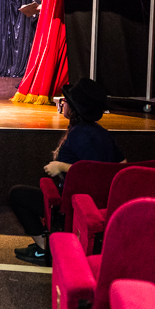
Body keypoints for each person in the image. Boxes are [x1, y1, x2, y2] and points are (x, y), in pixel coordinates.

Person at [9, 78, 125, 265]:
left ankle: (44, 249)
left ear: (75, 108)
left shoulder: (80, 135)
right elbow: (122, 165)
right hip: (101, 201)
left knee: (18, 195)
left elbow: (92, 171)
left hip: (71, 203)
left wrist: (61, 167)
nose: (63, 103)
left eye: (66, 101)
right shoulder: (102, 133)